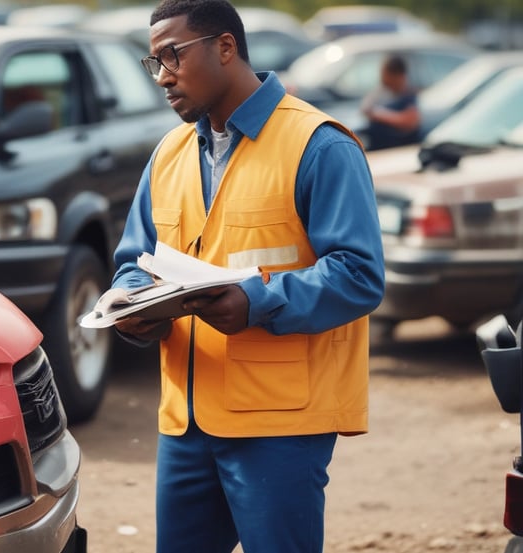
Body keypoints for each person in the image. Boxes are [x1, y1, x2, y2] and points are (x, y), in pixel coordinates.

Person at [106, 1, 385, 552]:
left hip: (279, 422)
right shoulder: (168, 155)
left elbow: (358, 275)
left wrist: (255, 301)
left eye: (173, 56)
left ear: (225, 47)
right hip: (186, 422)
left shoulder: (319, 145)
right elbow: (133, 263)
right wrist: (132, 307)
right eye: (153, 61)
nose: (162, 76)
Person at [360, 53, 422, 150]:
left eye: (385, 74)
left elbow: (409, 122)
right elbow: (365, 108)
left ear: (396, 75)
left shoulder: (408, 95)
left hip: (398, 152)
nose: (383, 78)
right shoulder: (384, 93)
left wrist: (378, 114)